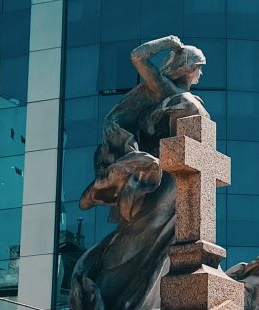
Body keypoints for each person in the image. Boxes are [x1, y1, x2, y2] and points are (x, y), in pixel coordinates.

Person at [81, 36, 207, 212]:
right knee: (145, 168)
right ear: (189, 68)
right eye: (199, 68)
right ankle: (99, 188)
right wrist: (167, 42)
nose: (201, 73)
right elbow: (137, 56)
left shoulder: (187, 97)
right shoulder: (163, 86)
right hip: (123, 133)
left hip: (159, 147)